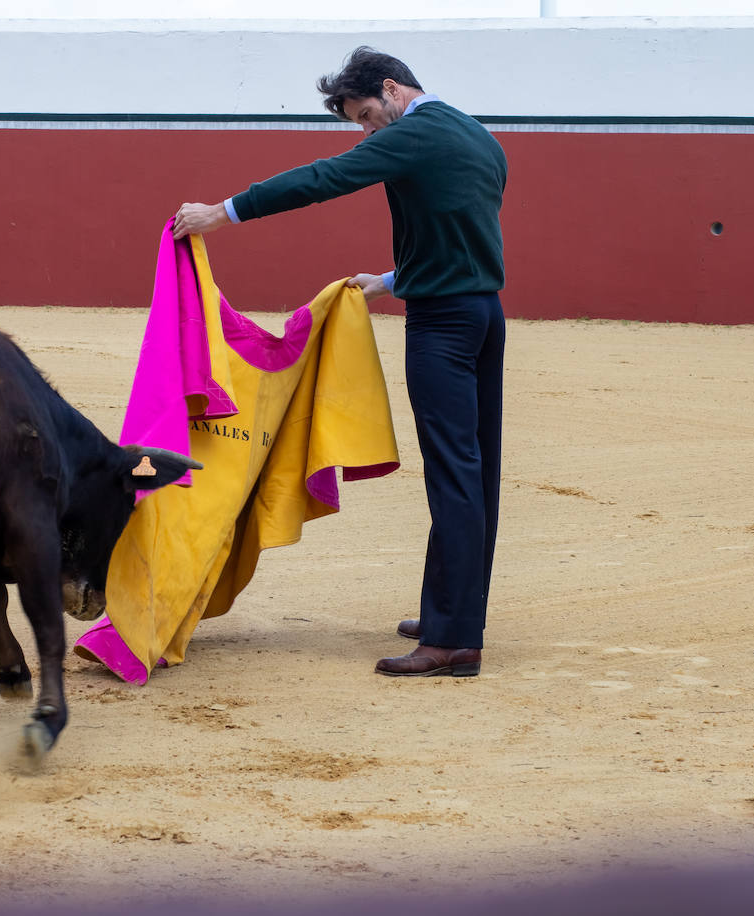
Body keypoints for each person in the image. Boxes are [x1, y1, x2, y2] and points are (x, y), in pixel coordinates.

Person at [172, 46, 507, 678]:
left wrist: (223, 213)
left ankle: (456, 640)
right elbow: (461, 226)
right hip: (484, 314)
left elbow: (325, 178)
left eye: (363, 115)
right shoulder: (475, 134)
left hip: (442, 324)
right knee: (477, 470)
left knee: (453, 473)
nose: (365, 131)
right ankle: (454, 613)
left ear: (391, 89)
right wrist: (389, 279)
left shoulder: (413, 133)